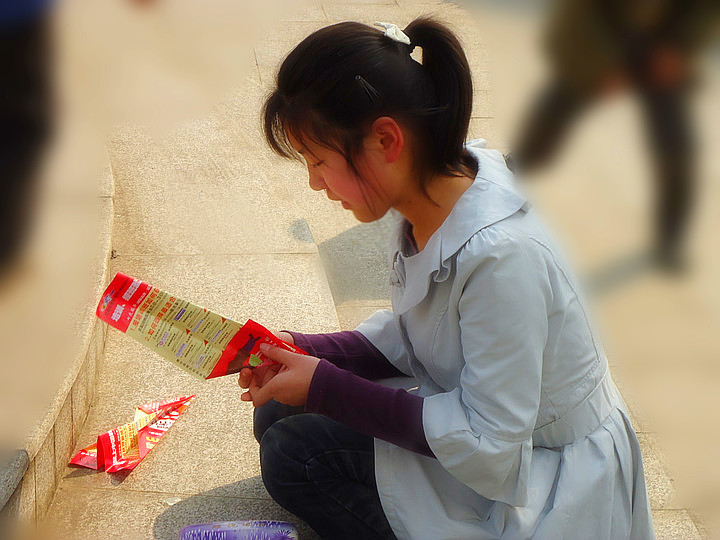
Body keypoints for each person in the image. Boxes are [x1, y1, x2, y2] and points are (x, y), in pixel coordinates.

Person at [238, 17, 655, 539]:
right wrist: (303, 349)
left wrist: (325, 385)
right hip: (488, 425)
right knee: (278, 408)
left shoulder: (503, 257)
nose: (315, 183)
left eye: (319, 160)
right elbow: (421, 330)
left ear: (386, 139)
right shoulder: (444, 187)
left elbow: (490, 441)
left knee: (294, 453)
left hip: (541, 475)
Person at [510, 0, 719, 272]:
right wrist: (599, 64)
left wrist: (680, 49)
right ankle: (504, 178)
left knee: (677, 149)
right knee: (554, 114)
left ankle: (670, 240)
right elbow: (580, 16)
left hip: (667, 40)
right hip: (605, 30)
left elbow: (707, 10)